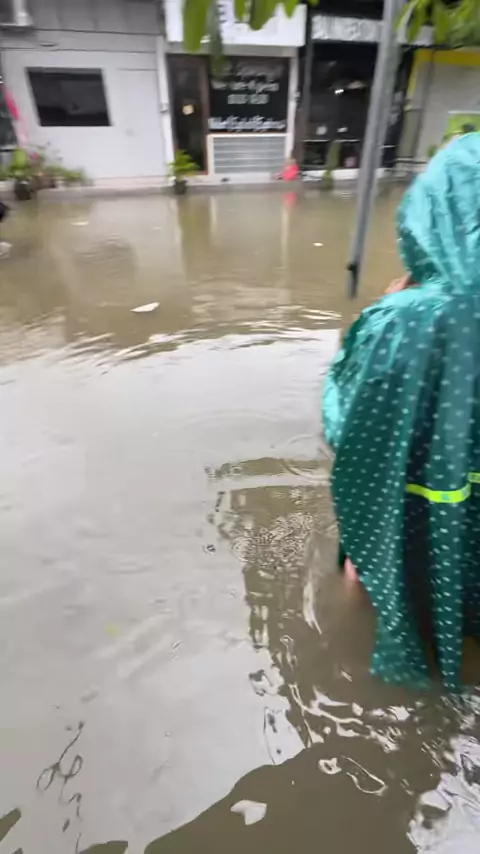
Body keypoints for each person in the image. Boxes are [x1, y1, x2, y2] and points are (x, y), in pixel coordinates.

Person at [322, 133, 480, 690]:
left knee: (370, 569)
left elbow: (345, 423)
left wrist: (386, 309)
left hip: (417, 509)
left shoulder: (405, 319)